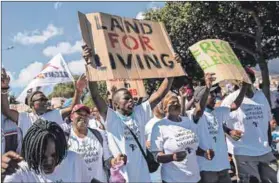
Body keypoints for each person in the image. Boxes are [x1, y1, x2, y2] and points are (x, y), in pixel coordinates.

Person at [82, 44, 176, 182]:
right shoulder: (111, 117)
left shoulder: (139, 112)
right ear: (115, 104)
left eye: (131, 98)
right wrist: (89, 63)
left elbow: (160, 94)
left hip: (144, 177)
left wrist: (172, 69)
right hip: (124, 178)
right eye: (126, 98)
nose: (131, 101)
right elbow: (95, 95)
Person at [150, 73, 215, 183]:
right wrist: (172, 157)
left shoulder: (187, 121)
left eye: (177, 102)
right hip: (173, 179)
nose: (176, 104)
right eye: (172, 103)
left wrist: (204, 153)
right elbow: (157, 156)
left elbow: (191, 148)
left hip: (195, 178)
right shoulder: (160, 126)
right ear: (164, 108)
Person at [221, 67, 278, 183]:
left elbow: (267, 121)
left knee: (273, 180)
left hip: (264, 150)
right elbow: (217, 121)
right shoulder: (230, 99)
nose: (245, 81)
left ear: (252, 79)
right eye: (242, 79)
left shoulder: (261, 97)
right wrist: (229, 131)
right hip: (243, 152)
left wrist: (269, 143)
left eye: (248, 77)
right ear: (238, 82)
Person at [186, 81, 248, 183]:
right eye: (210, 94)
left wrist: (244, 88)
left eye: (215, 94)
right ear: (202, 98)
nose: (214, 96)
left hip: (222, 165)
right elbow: (198, 111)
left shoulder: (218, 111)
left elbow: (234, 106)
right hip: (206, 168)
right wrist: (207, 86)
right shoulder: (193, 115)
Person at [1, 68, 87, 138]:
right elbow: (6, 111)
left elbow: (72, 109)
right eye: (41, 99)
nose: (45, 101)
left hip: (52, 158)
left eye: (45, 99)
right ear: (31, 104)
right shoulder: (25, 118)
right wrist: (4, 88)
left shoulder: (54, 114)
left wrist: (78, 91)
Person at [3, 119, 92, 182]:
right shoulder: (22, 171)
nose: (49, 162)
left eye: (54, 155)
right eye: (42, 156)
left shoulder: (74, 160)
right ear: (32, 152)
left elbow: (88, 180)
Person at [68, 104, 126, 182]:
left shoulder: (98, 134)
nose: (83, 117)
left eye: (86, 115)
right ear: (71, 117)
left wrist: (115, 161)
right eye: (80, 114)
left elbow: (107, 160)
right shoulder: (66, 138)